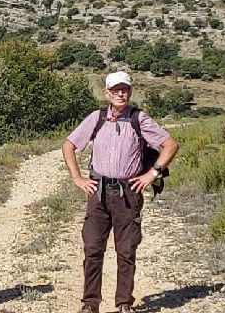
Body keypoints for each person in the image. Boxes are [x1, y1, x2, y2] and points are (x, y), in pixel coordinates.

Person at [60, 71, 178, 313]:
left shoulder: (139, 119)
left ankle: (124, 304)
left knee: (126, 250)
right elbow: (69, 145)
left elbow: (170, 145)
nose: (120, 94)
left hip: (128, 193)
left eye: (124, 89)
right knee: (93, 248)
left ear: (130, 92)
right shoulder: (97, 117)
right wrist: (77, 178)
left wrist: (151, 174)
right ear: (107, 93)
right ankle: (90, 303)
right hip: (99, 191)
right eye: (116, 90)